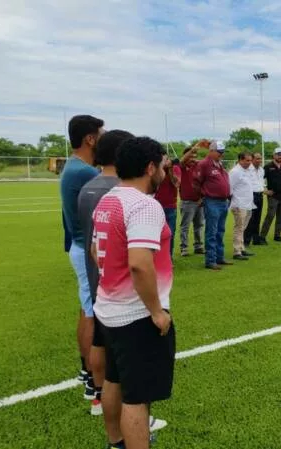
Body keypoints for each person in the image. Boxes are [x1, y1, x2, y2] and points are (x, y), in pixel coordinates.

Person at [91, 136, 176, 449]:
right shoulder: (144, 205)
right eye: (163, 167)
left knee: (114, 380)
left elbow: (95, 251)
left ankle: (116, 442)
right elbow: (140, 263)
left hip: (108, 309)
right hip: (136, 316)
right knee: (137, 397)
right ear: (150, 167)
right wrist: (156, 311)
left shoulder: (108, 199)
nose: (164, 173)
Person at [78, 130, 131, 418]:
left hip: (97, 278)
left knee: (100, 340)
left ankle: (97, 397)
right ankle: (127, 413)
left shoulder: (88, 187)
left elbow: (88, 242)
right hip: (118, 287)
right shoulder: (121, 191)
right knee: (120, 358)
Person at [60, 114, 104, 398]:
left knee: (86, 307)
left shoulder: (74, 167)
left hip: (79, 246)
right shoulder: (85, 173)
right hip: (86, 248)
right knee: (91, 312)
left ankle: (86, 369)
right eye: (102, 135)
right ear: (90, 139)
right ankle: (92, 377)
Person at [193, 140, 232, 270]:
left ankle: (219, 257)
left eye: (223, 152)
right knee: (212, 231)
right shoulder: (204, 164)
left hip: (223, 201)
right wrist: (202, 196)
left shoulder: (219, 163)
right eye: (219, 152)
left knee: (220, 231)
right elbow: (196, 182)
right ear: (211, 151)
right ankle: (210, 260)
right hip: (212, 201)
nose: (222, 154)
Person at [178, 143, 207, 257]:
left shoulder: (198, 166)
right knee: (185, 226)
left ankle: (198, 247)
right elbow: (181, 160)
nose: (192, 158)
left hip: (199, 201)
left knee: (199, 225)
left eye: (194, 156)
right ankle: (184, 248)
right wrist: (192, 150)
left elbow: (204, 183)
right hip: (187, 202)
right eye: (190, 156)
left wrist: (202, 198)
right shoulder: (181, 166)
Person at [259, 148, 281, 244]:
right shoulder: (268, 167)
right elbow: (258, 179)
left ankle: (277, 235)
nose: (280, 156)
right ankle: (262, 237)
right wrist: (265, 191)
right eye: (278, 154)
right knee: (270, 216)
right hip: (273, 196)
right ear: (274, 155)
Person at [229, 152, 256, 260]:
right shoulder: (235, 172)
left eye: (250, 160)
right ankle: (237, 252)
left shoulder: (247, 170)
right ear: (240, 160)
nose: (249, 163)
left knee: (243, 228)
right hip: (239, 204)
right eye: (247, 160)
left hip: (248, 204)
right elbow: (229, 188)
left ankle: (241, 248)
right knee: (239, 228)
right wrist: (234, 201)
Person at [154, 158, 182, 258]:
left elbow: (176, 183)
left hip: (170, 206)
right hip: (156, 206)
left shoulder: (175, 168)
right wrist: (160, 168)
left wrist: (170, 169)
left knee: (170, 233)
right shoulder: (156, 169)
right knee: (156, 233)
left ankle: (168, 257)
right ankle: (157, 257)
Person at [244, 152, 265, 246]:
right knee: (250, 219)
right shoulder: (248, 170)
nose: (259, 160)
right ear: (252, 159)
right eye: (257, 158)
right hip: (251, 195)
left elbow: (261, 183)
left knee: (257, 218)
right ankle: (246, 240)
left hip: (260, 195)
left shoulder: (261, 170)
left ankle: (256, 240)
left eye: (260, 158)